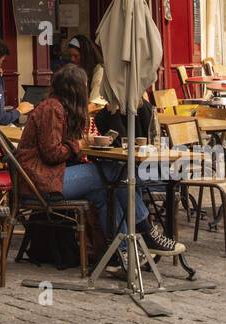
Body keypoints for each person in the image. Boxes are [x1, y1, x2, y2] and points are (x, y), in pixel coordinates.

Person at [16, 63, 184, 257]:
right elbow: (52, 153)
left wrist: (79, 144)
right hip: (40, 182)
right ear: (76, 89)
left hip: (49, 178)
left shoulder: (57, 107)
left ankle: (119, 255)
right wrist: (79, 144)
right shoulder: (52, 109)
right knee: (114, 172)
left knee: (105, 193)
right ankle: (146, 231)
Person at [66, 35, 107, 109]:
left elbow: (96, 103)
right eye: (70, 56)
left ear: (85, 55)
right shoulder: (74, 71)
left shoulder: (99, 71)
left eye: (76, 56)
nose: (72, 59)